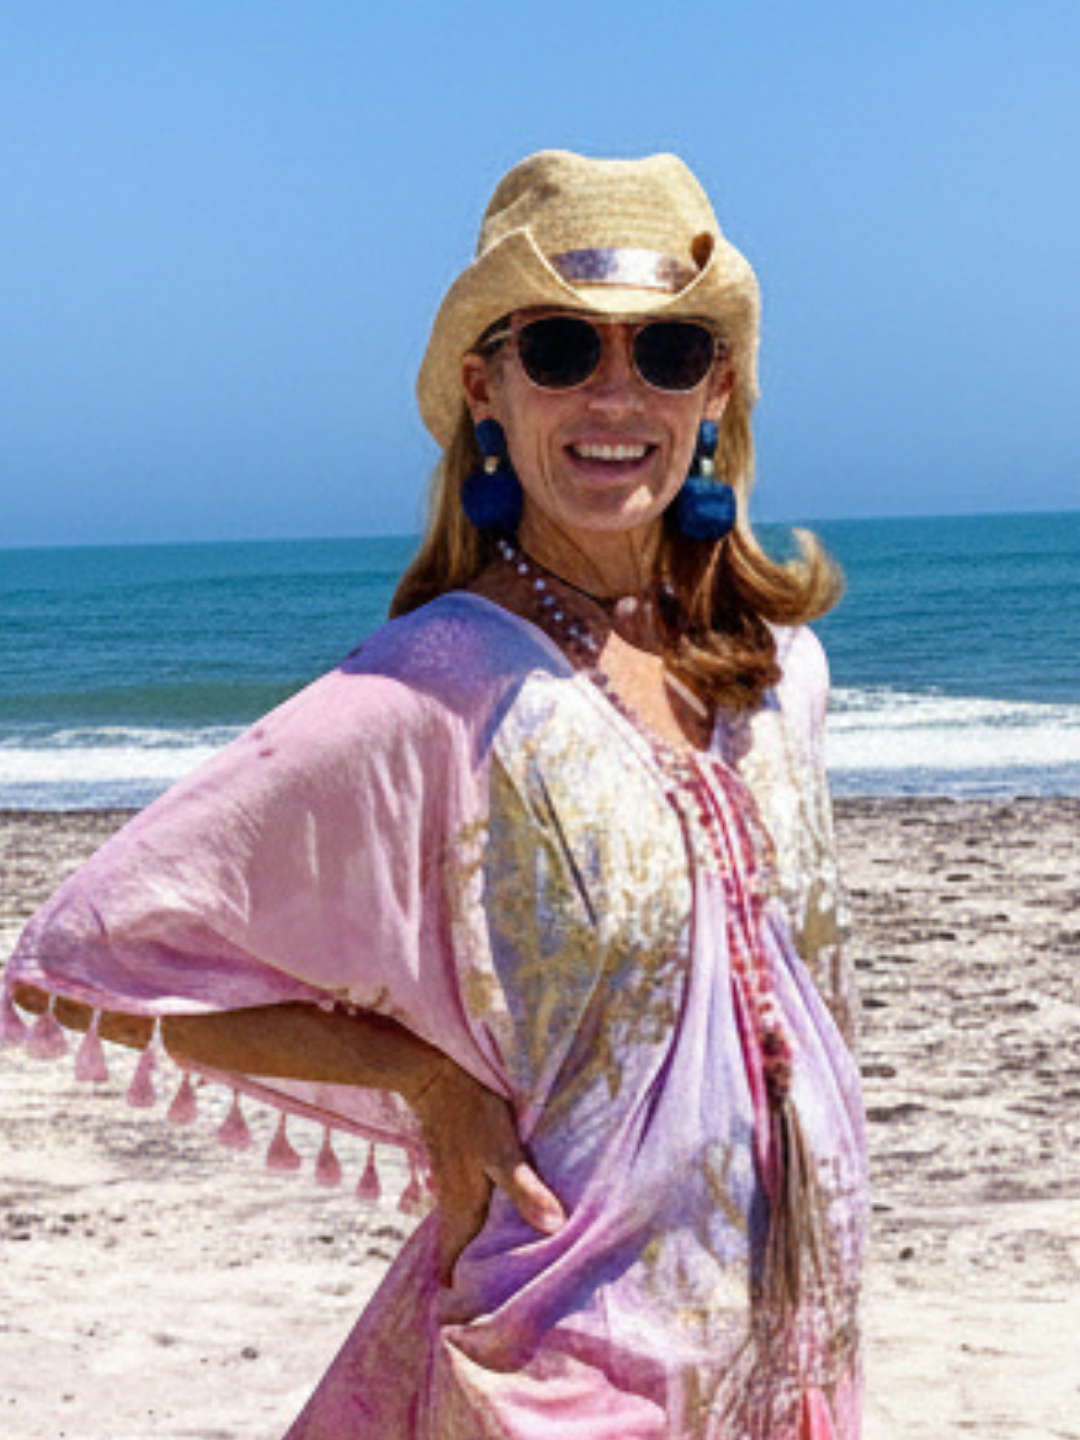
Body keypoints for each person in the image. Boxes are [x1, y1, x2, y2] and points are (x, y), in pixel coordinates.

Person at [3, 149, 866, 1438]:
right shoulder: (437, 684)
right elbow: (83, 961)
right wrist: (432, 1087)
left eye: (667, 351)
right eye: (561, 348)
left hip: (791, 1351)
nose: (616, 393)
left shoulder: (782, 675)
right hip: (572, 1371)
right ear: (487, 389)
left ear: (718, 387)